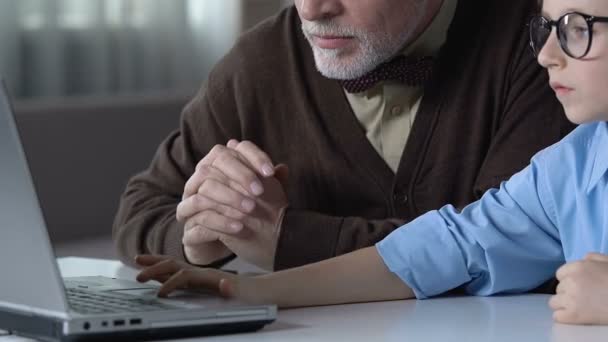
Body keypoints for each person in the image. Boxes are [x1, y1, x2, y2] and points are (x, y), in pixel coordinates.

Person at [135, 0, 608, 325]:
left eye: (576, 28)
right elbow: (446, 248)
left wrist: (285, 240)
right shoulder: (571, 165)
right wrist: (239, 286)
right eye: (548, 27)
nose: (547, 55)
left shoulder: (518, 57)